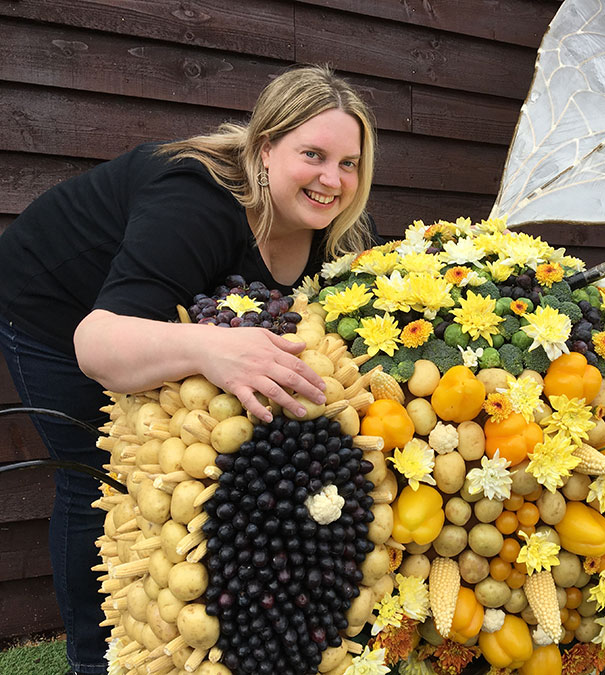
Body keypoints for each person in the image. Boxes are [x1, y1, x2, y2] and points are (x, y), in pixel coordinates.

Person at [0, 65, 379, 675]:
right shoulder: (196, 201)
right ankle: (93, 661)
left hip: (160, 308)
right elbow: (97, 343)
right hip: (55, 304)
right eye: (312, 154)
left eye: (349, 163)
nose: (332, 179)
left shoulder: (343, 229)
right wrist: (210, 349)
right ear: (264, 148)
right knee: (98, 478)